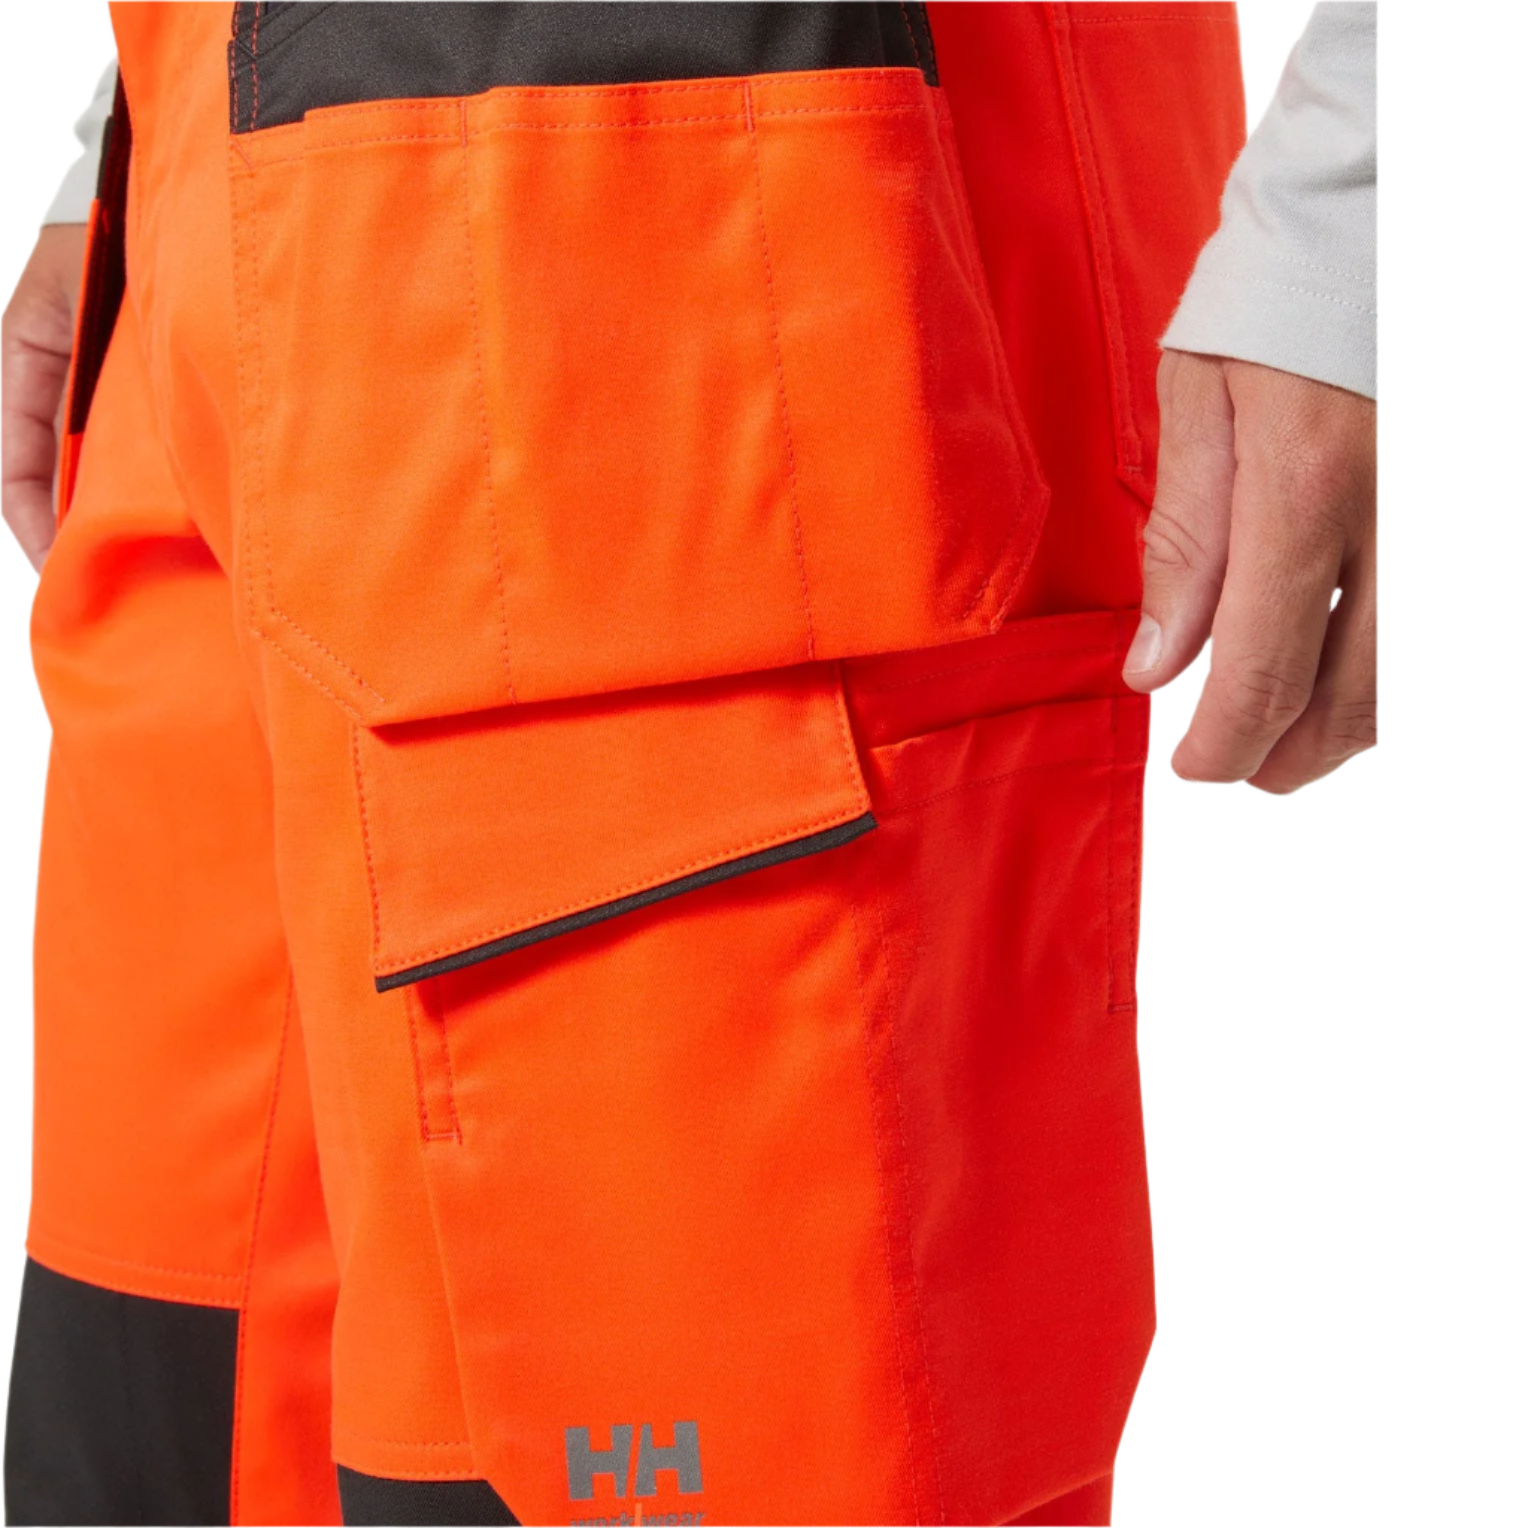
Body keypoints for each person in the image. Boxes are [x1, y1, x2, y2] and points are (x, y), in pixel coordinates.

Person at [0, 3, 1376, 1525]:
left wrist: (1354, 203)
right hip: (254, 167)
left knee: (655, 1474)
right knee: (164, 1408)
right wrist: (142, 119)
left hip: (730, 229)